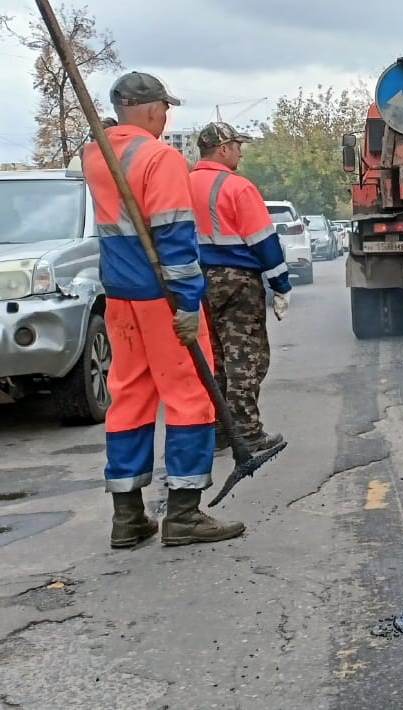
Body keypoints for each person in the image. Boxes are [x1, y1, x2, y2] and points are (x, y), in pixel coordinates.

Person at [83, 72, 244, 547]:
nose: (167, 115)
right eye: (165, 108)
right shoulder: (159, 157)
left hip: (120, 295)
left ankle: (128, 516)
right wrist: (189, 301)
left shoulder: (96, 153)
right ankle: (184, 512)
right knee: (190, 395)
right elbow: (173, 235)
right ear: (151, 110)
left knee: (129, 397)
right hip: (161, 297)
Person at [189, 121, 291, 455]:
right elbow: (263, 241)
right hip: (236, 280)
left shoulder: (183, 184)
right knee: (246, 357)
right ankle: (247, 433)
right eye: (236, 145)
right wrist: (280, 284)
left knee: (215, 356)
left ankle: (220, 430)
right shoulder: (237, 187)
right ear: (222, 149)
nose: (240, 151)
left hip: (196, 279)